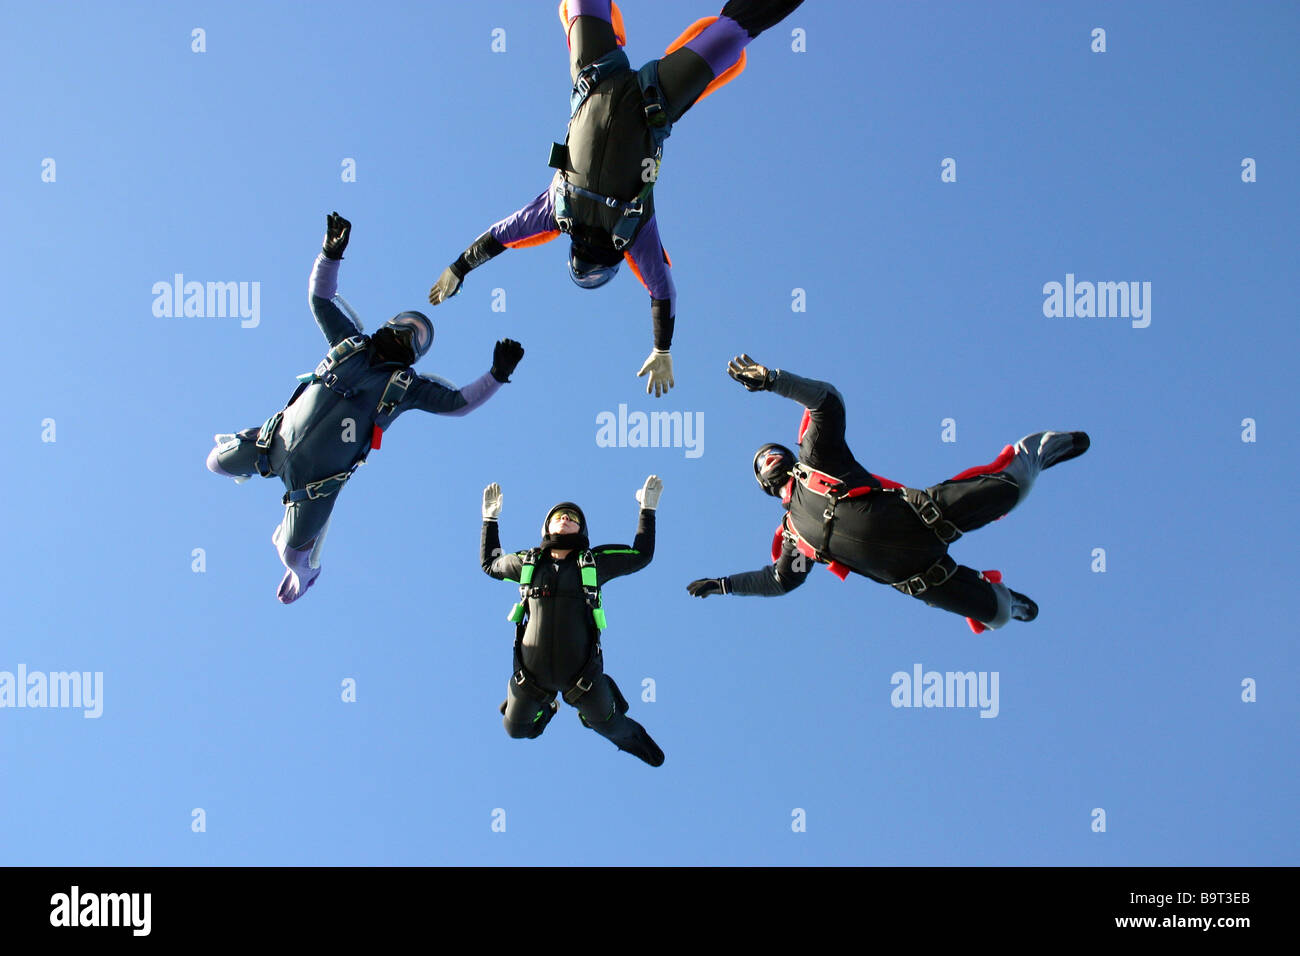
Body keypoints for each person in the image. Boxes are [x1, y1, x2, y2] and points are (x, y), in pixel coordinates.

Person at [428, 0, 806, 397]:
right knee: (733, 34)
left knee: (719, 32)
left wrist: (459, 268)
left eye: (583, 269)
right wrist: (662, 347)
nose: (589, 264)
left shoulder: (560, 213)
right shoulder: (629, 231)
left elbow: (501, 235)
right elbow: (661, 291)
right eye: (593, 272)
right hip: (652, 98)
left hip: (598, 76)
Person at [206, 213, 525, 604]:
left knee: (291, 555)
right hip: (271, 444)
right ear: (388, 324)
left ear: (417, 354)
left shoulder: (405, 387)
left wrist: (497, 374)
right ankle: (252, 469)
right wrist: (330, 253)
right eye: (407, 324)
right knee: (215, 463)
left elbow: (458, 404)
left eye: (418, 335)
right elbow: (320, 299)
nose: (409, 332)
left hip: (315, 485)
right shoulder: (349, 343)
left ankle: (308, 571)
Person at [686, 355, 1091, 632]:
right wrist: (723, 585)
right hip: (920, 576)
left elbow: (829, 403)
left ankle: (1038, 452)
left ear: (788, 454)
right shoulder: (794, 535)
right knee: (998, 613)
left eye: (772, 452)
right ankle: (1009, 601)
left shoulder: (816, 459)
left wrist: (775, 380)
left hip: (924, 516)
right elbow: (779, 581)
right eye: (761, 463)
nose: (768, 459)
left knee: (1012, 487)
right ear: (763, 485)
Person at [480, 477, 665, 766]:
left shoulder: (594, 561)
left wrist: (647, 511)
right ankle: (548, 709)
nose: (565, 517)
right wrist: (489, 520)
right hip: (532, 681)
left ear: (582, 529)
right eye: (558, 516)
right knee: (514, 729)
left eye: (572, 517)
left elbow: (641, 555)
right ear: (547, 527)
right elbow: (491, 565)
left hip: (584, 681)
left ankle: (608, 726)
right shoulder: (529, 561)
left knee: (612, 726)